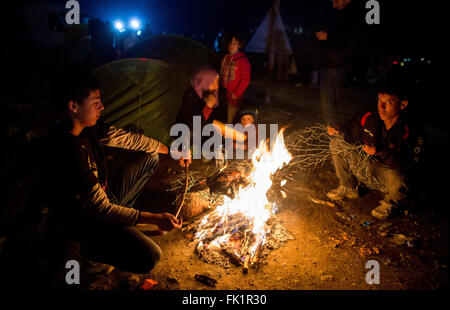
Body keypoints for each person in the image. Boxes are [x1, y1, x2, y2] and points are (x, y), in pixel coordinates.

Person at [45, 73, 189, 274]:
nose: (102, 106)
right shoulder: (68, 151)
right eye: (96, 102)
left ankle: (121, 230)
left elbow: (131, 140)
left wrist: (171, 151)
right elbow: (101, 209)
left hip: (106, 199)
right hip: (89, 222)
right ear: (73, 106)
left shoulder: (89, 130)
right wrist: (155, 218)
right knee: (150, 256)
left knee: (150, 157)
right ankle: (91, 254)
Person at [326, 85, 426, 219]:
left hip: (389, 175)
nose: (381, 107)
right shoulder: (369, 117)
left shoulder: (412, 130)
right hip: (368, 167)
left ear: (402, 104)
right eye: (379, 100)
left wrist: (381, 151)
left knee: (403, 178)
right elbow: (349, 132)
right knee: (337, 142)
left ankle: (390, 202)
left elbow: (410, 167)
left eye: (388, 102)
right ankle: (348, 186)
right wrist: (339, 129)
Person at [310, 0, 365, 126]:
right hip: (329, 62)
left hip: (335, 63)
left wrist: (328, 37)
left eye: (336, 1)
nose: (334, 5)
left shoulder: (353, 15)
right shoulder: (340, 15)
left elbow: (350, 40)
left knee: (328, 99)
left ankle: (333, 131)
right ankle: (332, 129)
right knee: (328, 99)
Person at [220, 30, 251, 124]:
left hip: (235, 96)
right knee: (223, 115)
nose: (231, 45)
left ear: (240, 45)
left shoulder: (242, 60)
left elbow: (245, 80)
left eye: (234, 43)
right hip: (224, 94)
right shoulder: (226, 58)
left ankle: (231, 135)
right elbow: (221, 74)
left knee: (232, 116)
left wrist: (237, 93)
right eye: (230, 43)